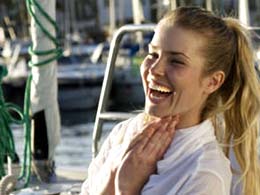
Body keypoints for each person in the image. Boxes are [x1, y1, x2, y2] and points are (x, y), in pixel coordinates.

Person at [81, 7, 260, 195]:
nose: (155, 69)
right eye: (153, 55)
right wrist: (111, 179)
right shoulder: (122, 133)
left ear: (212, 82)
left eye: (176, 61)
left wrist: (126, 188)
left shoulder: (205, 174)